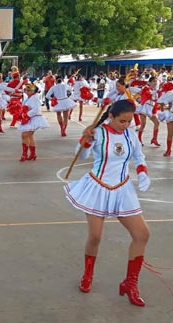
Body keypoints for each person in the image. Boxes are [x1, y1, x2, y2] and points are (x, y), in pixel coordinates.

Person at [65, 100, 151, 307]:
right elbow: (81, 154)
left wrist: (142, 172)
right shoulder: (98, 133)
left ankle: (130, 283)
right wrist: (85, 139)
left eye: (129, 121)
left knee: (142, 234)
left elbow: (139, 156)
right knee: (95, 237)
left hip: (123, 189)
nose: (126, 125)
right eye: (122, 120)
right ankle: (88, 274)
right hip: (98, 187)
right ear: (111, 117)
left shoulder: (131, 134)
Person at [17, 83, 49, 161]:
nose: (26, 92)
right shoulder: (29, 97)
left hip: (34, 119)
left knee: (24, 135)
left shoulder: (34, 98)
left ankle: (25, 154)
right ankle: (32, 154)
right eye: (26, 90)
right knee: (29, 136)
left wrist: (26, 114)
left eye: (28, 90)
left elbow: (36, 109)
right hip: (29, 119)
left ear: (33, 91)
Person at [135, 77, 162, 146]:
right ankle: (139, 139)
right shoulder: (146, 88)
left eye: (156, 81)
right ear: (149, 83)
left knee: (157, 123)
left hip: (151, 109)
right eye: (153, 81)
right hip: (144, 107)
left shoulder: (156, 91)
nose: (155, 83)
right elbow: (149, 95)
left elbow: (156, 100)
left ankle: (154, 139)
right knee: (143, 124)